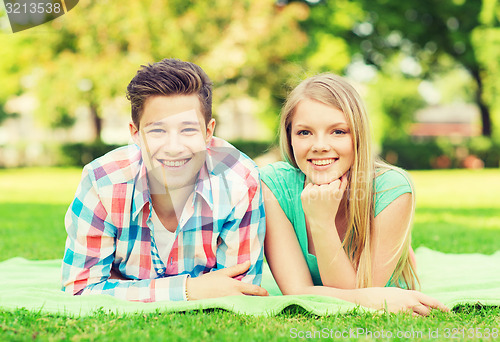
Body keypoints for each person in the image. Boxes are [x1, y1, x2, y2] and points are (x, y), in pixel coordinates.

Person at [61, 58, 268, 302]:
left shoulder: (239, 181)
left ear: (208, 132)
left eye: (188, 130)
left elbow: (238, 289)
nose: (173, 147)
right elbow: (80, 289)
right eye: (157, 130)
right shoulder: (103, 181)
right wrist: (190, 289)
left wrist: (120, 287)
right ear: (135, 134)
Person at [261, 73, 448, 316]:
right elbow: (297, 290)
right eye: (304, 132)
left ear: (358, 135)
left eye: (338, 132)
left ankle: (404, 256)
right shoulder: (274, 184)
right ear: (289, 138)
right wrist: (320, 220)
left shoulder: (392, 188)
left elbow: (362, 294)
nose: (319, 145)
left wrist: (322, 224)